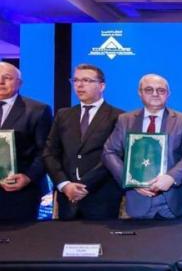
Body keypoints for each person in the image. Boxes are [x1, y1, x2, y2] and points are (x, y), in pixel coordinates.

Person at [103, 74, 182, 219]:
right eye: (149, 90)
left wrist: (171, 177)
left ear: (168, 94)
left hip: (175, 202)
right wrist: (130, 179)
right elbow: (109, 152)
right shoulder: (125, 120)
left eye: (161, 90)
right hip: (138, 201)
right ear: (140, 92)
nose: (155, 94)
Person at [44, 64, 124, 219]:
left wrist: (84, 186)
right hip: (67, 197)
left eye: (86, 80)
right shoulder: (63, 115)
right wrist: (64, 185)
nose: (79, 85)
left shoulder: (118, 116)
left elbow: (116, 156)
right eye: (76, 80)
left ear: (102, 86)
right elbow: (50, 152)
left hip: (101, 197)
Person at [0, 62, 52, 220]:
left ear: (19, 83)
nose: (1, 82)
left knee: (20, 242)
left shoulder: (37, 110)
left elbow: (45, 151)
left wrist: (28, 177)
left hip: (20, 191)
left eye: (7, 78)